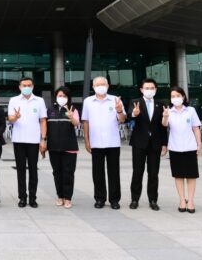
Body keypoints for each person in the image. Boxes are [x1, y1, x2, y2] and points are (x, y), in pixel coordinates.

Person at [82, 76, 126, 210]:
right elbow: (86, 122)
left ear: (108, 86)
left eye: (103, 84)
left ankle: (114, 199)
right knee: (97, 172)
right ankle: (100, 198)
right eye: (98, 84)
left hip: (112, 142)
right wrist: (86, 140)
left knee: (114, 172)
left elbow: (122, 119)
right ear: (93, 87)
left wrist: (119, 110)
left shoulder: (115, 100)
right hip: (96, 142)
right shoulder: (88, 101)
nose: (100, 87)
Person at [128, 78, 168, 211]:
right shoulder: (135, 102)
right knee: (137, 172)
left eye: (152, 88)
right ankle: (135, 199)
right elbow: (129, 116)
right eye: (147, 88)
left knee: (153, 173)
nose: (149, 90)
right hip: (139, 142)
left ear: (155, 90)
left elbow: (163, 126)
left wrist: (164, 143)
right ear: (141, 90)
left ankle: (153, 200)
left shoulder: (161, 104)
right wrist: (134, 113)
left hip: (155, 143)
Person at [7, 77, 47, 208]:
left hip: (34, 141)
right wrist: (15, 117)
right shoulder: (14, 100)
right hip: (19, 140)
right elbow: (10, 119)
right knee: (21, 170)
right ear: (19, 87)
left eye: (29, 85)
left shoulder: (39, 101)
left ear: (33, 86)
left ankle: (33, 198)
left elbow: (43, 121)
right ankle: (22, 197)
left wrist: (43, 139)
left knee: (33, 170)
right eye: (24, 85)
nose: (26, 87)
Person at [162, 86, 201, 213]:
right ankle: (182, 200)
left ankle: (191, 201)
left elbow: (196, 128)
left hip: (190, 147)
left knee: (191, 176)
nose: (175, 98)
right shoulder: (168, 111)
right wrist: (165, 116)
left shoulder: (190, 110)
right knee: (178, 176)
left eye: (178, 96)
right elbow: (164, 125)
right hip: (175, 148)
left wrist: (199, 144)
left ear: (183, 97)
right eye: (173, 96)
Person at [45, 86, 79, 209]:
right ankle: (60, 196)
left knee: (68, 173)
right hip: (53, 147)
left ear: (68, 97)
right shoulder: (50, 110)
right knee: (57, 173)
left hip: (69, 147)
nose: (62, 98)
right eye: (60, 95)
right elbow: (45, 127)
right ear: (56, 97)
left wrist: (71, 117)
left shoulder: (73, 109)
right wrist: (43, 143)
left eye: (64, 96)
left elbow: (77, 124)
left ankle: (68, 198)